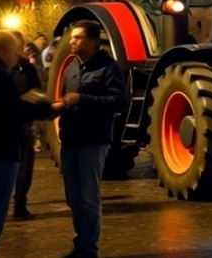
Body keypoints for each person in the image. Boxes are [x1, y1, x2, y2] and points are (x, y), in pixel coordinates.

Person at [51, 20, 127, 258]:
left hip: (93, 141)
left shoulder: (108, 67)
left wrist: (82, 99)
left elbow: (119, 102)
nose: (72, 42)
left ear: (94, 41)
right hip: (71, 140)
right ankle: (80, 242)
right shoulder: (72, 68)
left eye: (79, 37)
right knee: (73, 198)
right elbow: (67, 100)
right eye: (72, 37)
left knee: (88, 198)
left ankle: (88, 247)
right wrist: (56, 108)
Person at [0, 30, 52, 258]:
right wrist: (41, 107)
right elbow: (10, 111)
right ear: (3, 51)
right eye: (14, 51)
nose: (17, 56)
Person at [9, 31, 42, 220]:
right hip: (10, 124)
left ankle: (19, 204)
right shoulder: (0, 68)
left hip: (20, 123)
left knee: (23, 165)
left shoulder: (25, 68)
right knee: (18, 165)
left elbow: (36, 90)